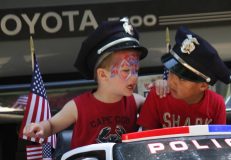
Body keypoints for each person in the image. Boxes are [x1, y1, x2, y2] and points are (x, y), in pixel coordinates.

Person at [23, 18, 148, 148]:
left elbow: (158, 106)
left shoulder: (137, 102)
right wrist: (41, 127)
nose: (134, 77)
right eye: (126, 70)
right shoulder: (78, 106)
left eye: (136, 70)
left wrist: (162, 85)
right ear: (102, 75)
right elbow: (53, 125)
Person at [137, 26, 231, 130]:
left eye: (182, 78)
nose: (172, 81)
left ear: (203, 85)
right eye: (171, 72)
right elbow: (146, 139)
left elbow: (218, 140)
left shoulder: (216, 104)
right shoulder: (158, 95)